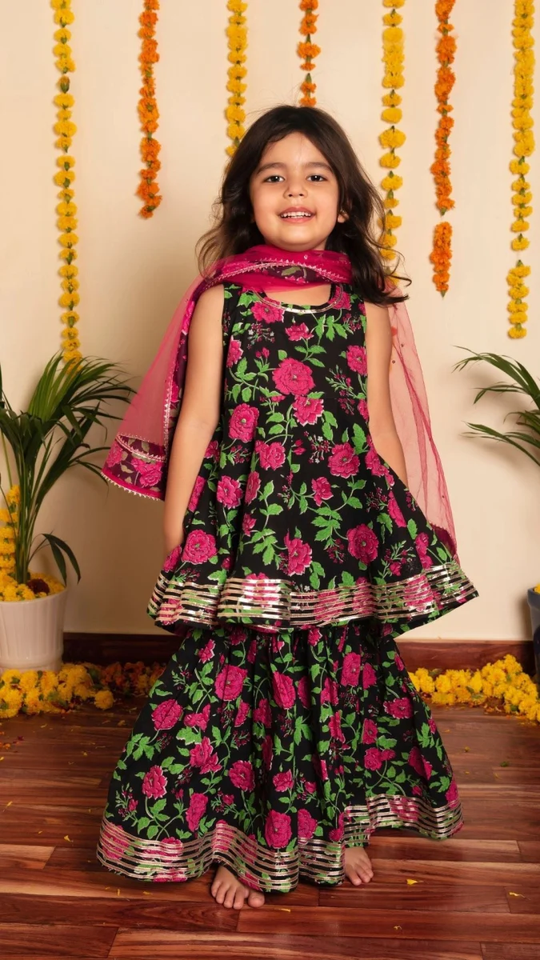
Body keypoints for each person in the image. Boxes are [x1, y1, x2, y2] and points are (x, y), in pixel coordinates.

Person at [96, 105, 477, 910]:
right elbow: (197, 419)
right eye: (275, 176)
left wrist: (394, 533)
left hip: (341, 528)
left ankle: (337, 825)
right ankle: (240, 842)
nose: (295, 190)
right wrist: (179, 531)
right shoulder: (223, 300)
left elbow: (378, 422)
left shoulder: (365, 303)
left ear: (344, 202)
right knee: (245, 678)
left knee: (341, 675)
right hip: (249, 531)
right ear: (248, 198)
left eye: (315, 176)